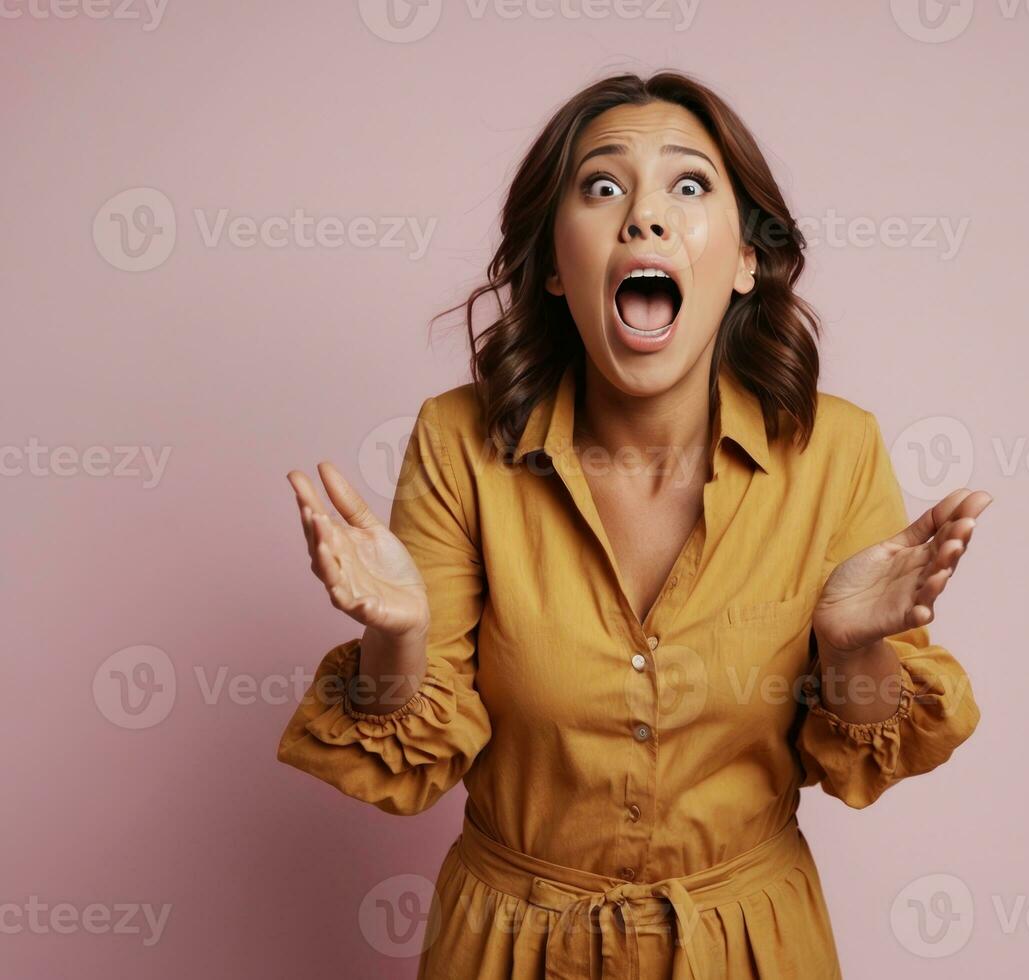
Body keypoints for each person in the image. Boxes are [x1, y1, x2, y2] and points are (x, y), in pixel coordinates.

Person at [278, 70, 991, 979]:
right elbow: (405, 759)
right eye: (603, 186)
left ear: (743, 262)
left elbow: (861, 760)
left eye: (688, 186)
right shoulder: (458, 441)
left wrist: (852, 651)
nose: (644, 217)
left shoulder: (834, 449)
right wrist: (398, 639)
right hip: (507, 949)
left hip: (749, 950)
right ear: (550, 262)